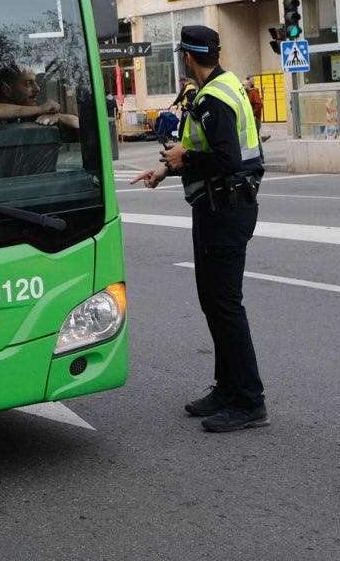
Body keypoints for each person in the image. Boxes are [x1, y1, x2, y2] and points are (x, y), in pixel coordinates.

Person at [130, 25, 267, 433]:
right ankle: (227, 388)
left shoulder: (212, 101)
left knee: (225, 305)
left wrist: (182, 156)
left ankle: (249, 400)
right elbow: (219, 155)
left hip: (225, 209)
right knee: (214, 303)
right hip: (221, 205)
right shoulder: (227, 86)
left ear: (187, 58)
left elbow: (225, 160)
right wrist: (165, 168)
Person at [0, 64, 79, 130]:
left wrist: (58, 117)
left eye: (35, 82)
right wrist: (39, 109)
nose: (37, 88)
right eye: (28, 84)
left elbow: (79, 125)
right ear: (6, 90)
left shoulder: (32, 114)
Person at [243, 76, 269, 142]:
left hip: (255, 117)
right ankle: (263, 137)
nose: (253, 81)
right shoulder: (248, 93)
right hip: (254, 117)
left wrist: (253, 113)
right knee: (256, 137)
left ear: (248, 85)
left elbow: (259, 103)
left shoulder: (253, 92)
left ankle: (260, 151)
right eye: (252, 80)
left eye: (244, 85)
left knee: (256, 138)